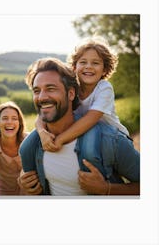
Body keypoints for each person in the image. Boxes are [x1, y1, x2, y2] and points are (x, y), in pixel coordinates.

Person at [19, 57, 140, 195]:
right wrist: (23, 182)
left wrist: (107, 189)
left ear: (71, 94)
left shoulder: (110, 140)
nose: (41, 97)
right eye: (36, 91)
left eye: (50, 89)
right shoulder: (35, 143)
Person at [36, 36, 129, 152]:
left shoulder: (104, 88)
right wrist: (42, 132)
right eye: (83, 62)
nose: (88, 66)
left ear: (104, 70)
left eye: (95, 63)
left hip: (115, 138)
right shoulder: (71, 89)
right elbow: (46, 111)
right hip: (91, 134)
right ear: (75, 67)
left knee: (91, 152)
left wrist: (60, 139)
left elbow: (91, 119)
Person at [0, 101, 28, 195]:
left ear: (19, 123)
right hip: (4, 193)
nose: (9, 122)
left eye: (14, 118)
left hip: (29, 192)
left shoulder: (28, 140)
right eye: (5, 118)